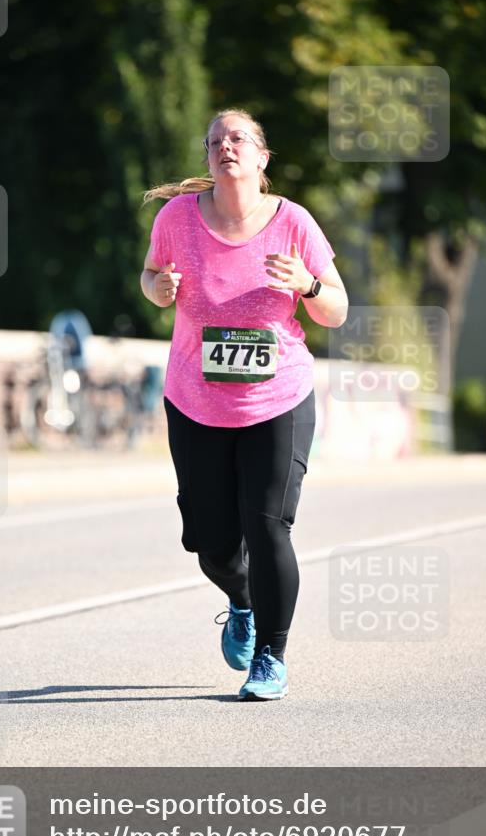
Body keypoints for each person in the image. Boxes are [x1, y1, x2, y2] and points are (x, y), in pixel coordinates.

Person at [140, 108, 348, 701]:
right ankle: (241, 601)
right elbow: (151, 277)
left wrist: (306, 285)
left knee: (268, 528)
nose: (225, 147)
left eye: (238, 139)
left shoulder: (293, 223)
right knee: (212, 546)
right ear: (207, 158)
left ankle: (271, 658)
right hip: (195, 402)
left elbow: (336, 307)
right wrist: (156, 288)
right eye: (215, 141)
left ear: (261, 157)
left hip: (277, 400)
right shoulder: (177, 219)